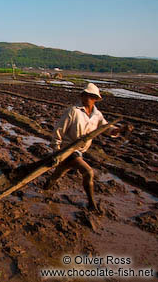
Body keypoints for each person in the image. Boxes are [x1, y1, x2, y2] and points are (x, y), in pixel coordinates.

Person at [43, 83, 125, 212]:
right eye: (85, 95)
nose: (87, 98)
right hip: (68, 149)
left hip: (80, 150)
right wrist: (56, 149)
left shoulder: (97, 115)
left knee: (59, 172)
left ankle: (45, 188)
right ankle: (92, 204)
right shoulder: (73, 111)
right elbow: (59, 129)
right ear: (82, 96)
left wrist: (120, 130)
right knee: (88, 172)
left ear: (96, 99)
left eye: (91, 96)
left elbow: (107, 129)